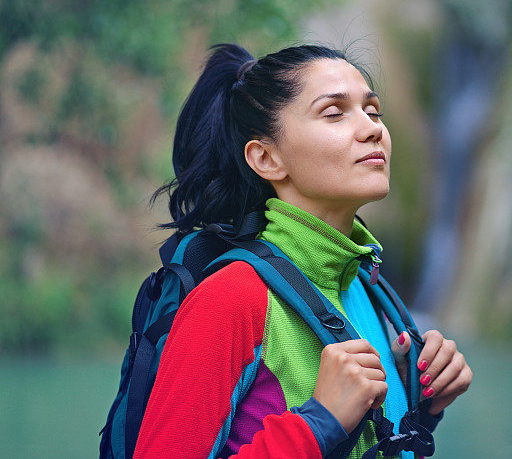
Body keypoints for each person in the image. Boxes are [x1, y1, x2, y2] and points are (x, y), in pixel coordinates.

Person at [133, 43, 472, 459]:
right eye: (334, 112)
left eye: (373, 110)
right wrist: (319, 422)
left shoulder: (368, 287)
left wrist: (420, 401)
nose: (371, 128)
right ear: (267, 158)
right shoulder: (233, 298)